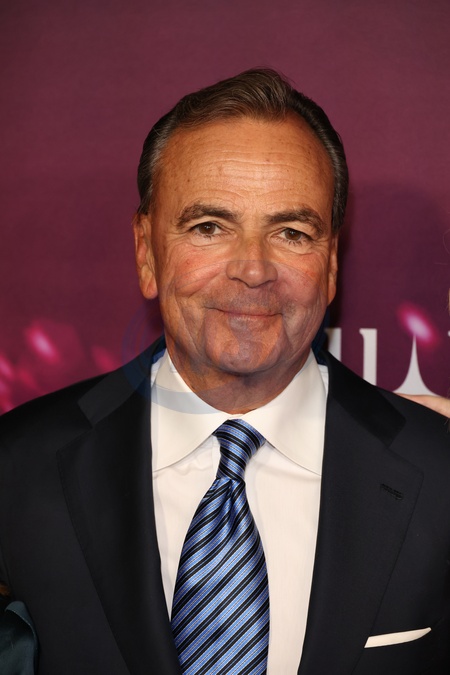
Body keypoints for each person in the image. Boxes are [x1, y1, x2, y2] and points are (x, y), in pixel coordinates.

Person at [0, 69, 449, 675]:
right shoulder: (17, 468)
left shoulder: (439, 471)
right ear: (146, 251)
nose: (253, 270)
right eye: (209, 227)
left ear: (331, 264)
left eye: (291, 232)